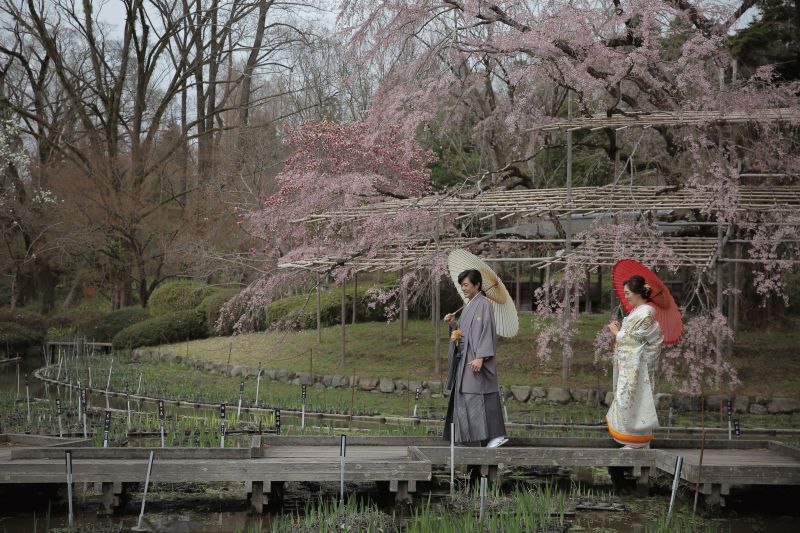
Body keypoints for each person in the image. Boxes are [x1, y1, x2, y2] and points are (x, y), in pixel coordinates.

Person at [443, 269, 508, 448]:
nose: (463, 288)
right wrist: (453, 325)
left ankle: (493, 436)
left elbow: (487, 331)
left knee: (480, 396)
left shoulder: (484, 304)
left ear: (477, 285)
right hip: (464, 361)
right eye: (462, 285)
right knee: (466, 397)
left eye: (466, 285)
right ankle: (471, 439)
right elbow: (462, 334)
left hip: (475, 360)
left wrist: (481, 357)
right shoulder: (469, 305)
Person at [605, 274, 664, 449]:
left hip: (638, 365)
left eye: (628, 293)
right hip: (633, 362)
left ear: (638, 293)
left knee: (631, 399)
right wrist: (621, 330)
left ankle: (635, 441)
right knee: (630, 399)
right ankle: (634, 439)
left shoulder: (645, 313)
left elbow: (634, 340)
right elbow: (634, 336)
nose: (625, 296)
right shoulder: (637, 312)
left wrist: (617, 332)